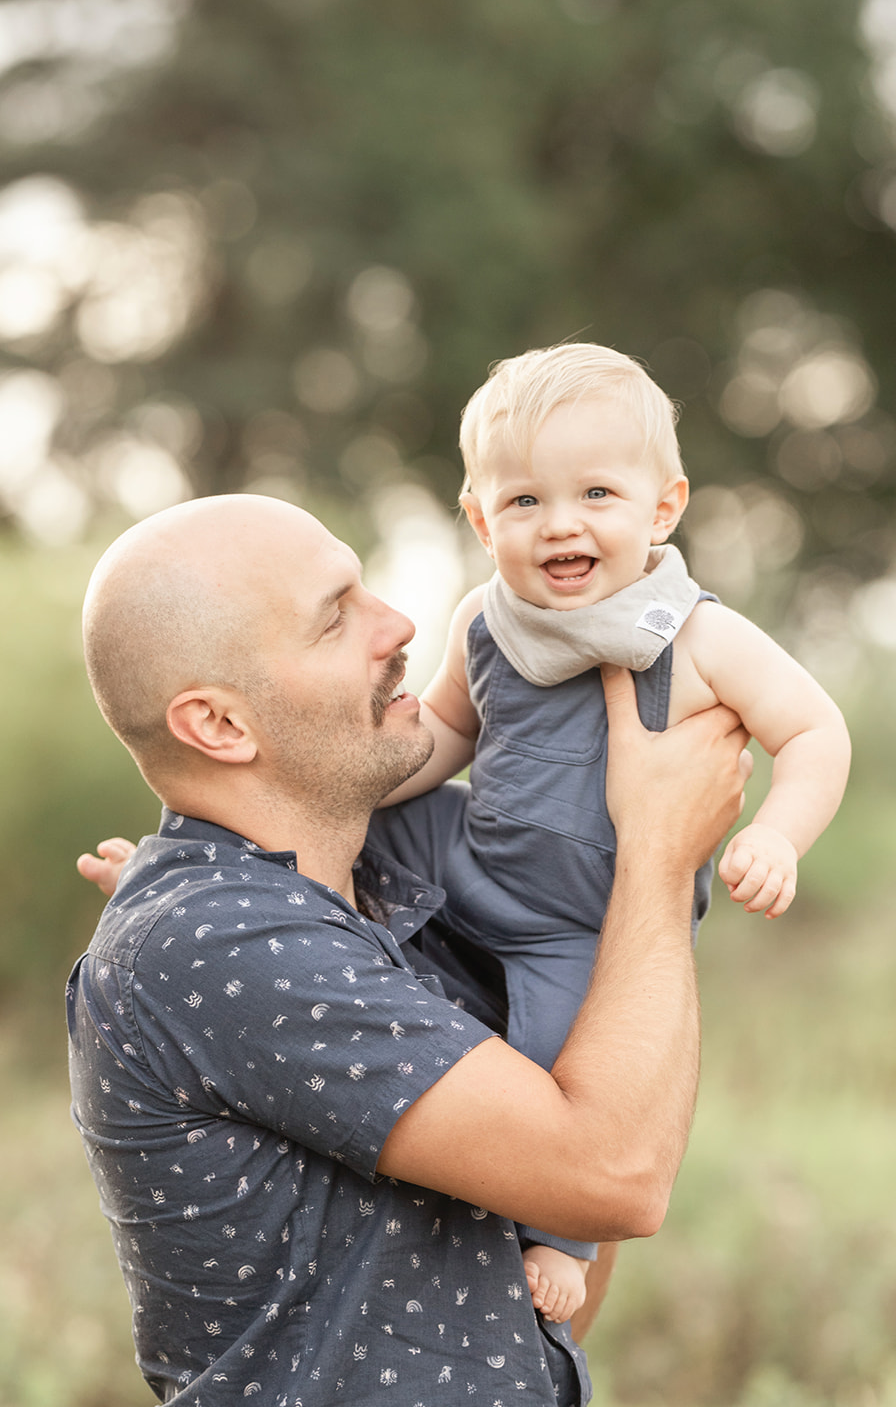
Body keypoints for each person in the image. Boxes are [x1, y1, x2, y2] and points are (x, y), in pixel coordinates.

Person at [69, 492, 749, 1406]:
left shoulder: (390, 898)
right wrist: (656, 858)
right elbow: (616, 1176)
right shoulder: (212, 938)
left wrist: (601, 871)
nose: (398, 625)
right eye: (334, 618)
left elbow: (544, 1306)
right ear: (221, 726)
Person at [362, 341, 852, 1322]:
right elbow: (450, 735)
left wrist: (778, 835)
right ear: (477, 516)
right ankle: (244, 860)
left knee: (569, 1053)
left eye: (595, 493)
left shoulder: (695, 634)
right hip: (474, 854)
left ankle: (559, 1238)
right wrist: (360, 791)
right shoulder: (483, 621)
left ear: (661, 508)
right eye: (525, 501)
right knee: (373, 820)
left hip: (580, 925)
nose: (561, 524)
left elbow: (813, 730)